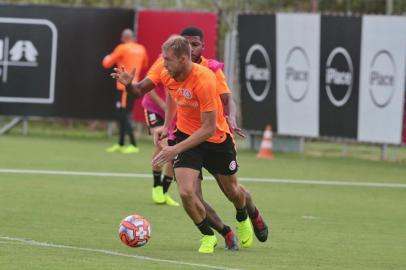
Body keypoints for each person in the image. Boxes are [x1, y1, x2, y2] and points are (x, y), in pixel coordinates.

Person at [112, 35, 259, 253]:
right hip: (185, 136)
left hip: (216, 139)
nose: (163, 63)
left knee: (233, 191)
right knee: (186, 192)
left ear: (183, 59)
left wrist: (174, 149)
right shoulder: (167, 72)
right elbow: (140, 91)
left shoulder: (205, 79)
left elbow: (208, 127)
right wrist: (129, 85)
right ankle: (208, 236)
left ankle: (242, 214)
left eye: (168, 59)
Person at [102, 28, 148, 154]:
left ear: (123, 38)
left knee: (123, 115)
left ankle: (133, 144)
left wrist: (107, 57)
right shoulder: (141, 49)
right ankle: (121, 143)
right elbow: (144, 65)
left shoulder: (122, 48)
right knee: (124, 114)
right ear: (133, 37)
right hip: (135, 86)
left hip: (123, 87)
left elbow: (107, 63)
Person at [142, 82, 179, 206]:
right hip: (154, 109)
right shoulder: (162, 66)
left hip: (173, 112)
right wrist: (163, 105)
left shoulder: (190, 70)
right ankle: (157, 185)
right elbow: (148, 89)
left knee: (174, 151)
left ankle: (164, 191)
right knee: (163, 144)